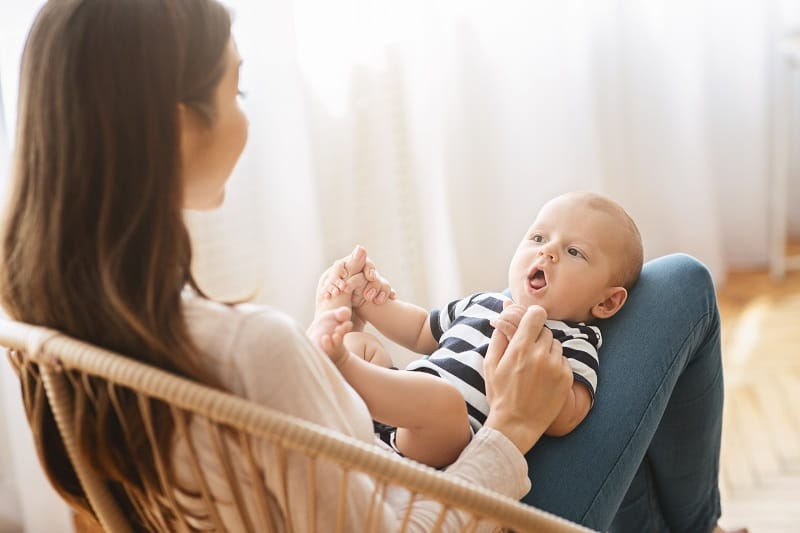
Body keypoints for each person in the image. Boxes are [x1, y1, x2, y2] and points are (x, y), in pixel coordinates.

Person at [0, 1, 740, 532]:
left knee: (636, 478)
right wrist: (511, 424)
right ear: (175, 128)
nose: (247, 115)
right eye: (238, 90)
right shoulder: (248, 347)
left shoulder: (47, 320)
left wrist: (359, 351)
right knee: (681, 286)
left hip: (399, 472)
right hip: (456, 503)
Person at [311, 191, 643, 469]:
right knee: (361, 342)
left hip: (439, 447)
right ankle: (337, 351)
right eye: (538, 237)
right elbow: (417, 331)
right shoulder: (485, 303)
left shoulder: (573, 340)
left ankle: (336, 365)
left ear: (608, 303)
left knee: (445, 404)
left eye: (574, 252)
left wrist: (526, 354)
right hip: (386, 417)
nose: (547, 251)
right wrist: (366, 298)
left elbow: (567, 417)